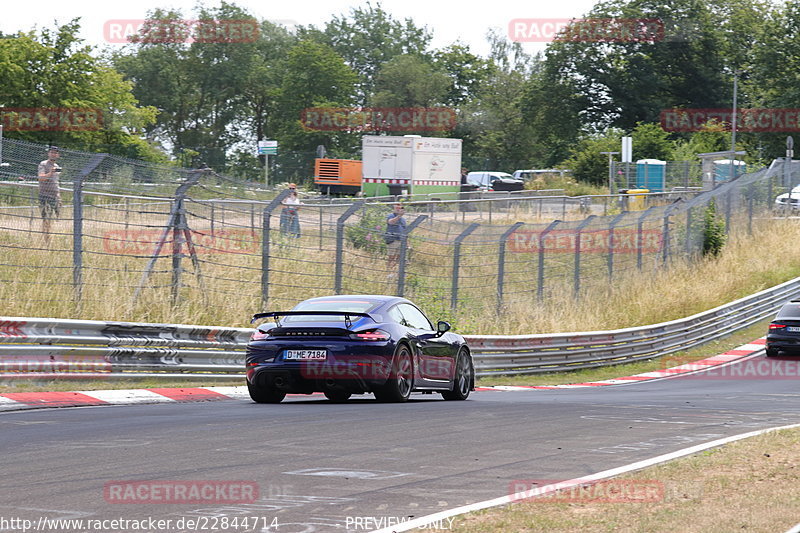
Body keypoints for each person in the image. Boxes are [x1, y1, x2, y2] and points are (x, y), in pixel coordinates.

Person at [37, 146, 62, 241]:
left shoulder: (57, 166)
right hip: (45, 195)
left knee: (56, 218)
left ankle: (53, 238)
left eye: (55, 153)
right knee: (46, 219)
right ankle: (46, 239)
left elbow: (56, 183)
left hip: (55, 196)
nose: (53, 154)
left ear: (58, 155)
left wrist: (59, 196)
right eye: (52, 152)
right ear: (48, 153)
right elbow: (41, 178)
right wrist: (50, 173)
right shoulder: (43, 164)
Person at [385, 203, 407, 276]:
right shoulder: (391, 216)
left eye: (400, 208)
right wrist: (399, 216)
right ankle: (388, 272)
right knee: (391, 257)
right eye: (397, 208)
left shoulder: (403, 220)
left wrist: (407, 242)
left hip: (401, 240)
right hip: (393, 239)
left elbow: (405, 231)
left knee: (399, 257)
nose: (398, 209)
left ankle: (396, 272)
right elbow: (391, 222)